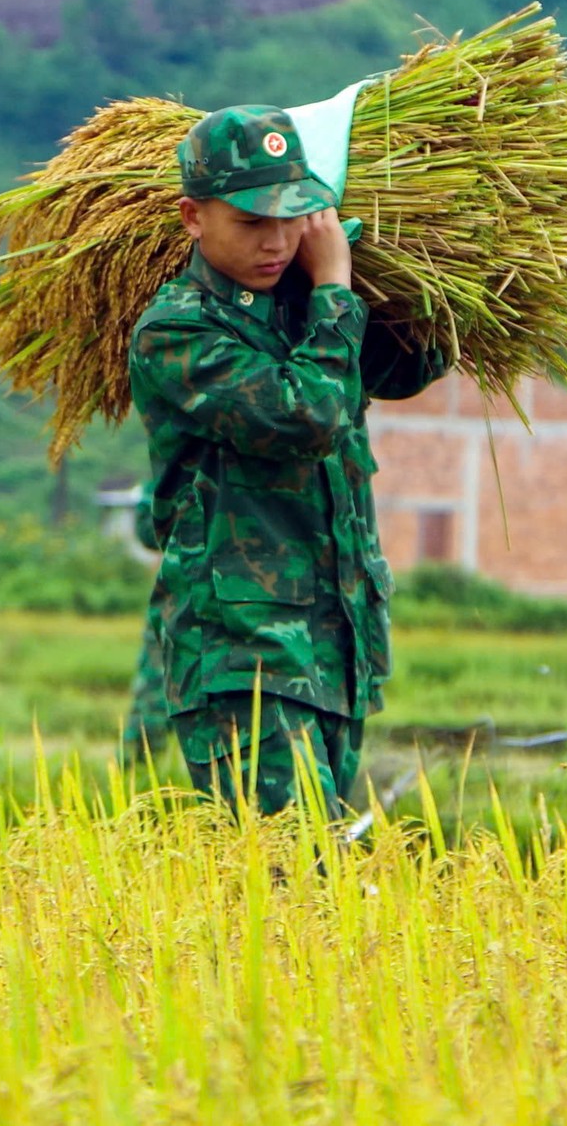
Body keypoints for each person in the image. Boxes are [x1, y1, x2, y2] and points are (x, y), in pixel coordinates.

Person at [123, 105, 447, 816]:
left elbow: (407, 366)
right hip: (247, 661)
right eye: (251, 222)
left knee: (301, 906)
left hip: (334, 652)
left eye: (291, 218)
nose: (275, 242)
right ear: (193, 217)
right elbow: (311, 415)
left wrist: (420, 271)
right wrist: (334, 286)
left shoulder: (303, 305)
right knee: (293, 882)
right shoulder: (178, 331)